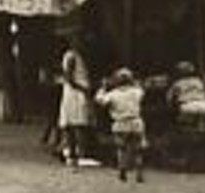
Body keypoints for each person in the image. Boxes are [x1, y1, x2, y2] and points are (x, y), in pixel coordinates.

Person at [96, 67, 147, 183]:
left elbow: (100, 101)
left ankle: (122, 170)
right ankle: (139, 172)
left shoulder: (113, 94)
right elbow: (142, 91)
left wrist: (102, 88)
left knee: (121, 149)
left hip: (120, 124)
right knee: (138, 150)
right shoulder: (136, 92)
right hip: (135, 122)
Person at [58, 34, 94, 167]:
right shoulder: (72, 56)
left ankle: (74, 151)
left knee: (75, 121)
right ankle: (77, 151)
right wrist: (83, 89)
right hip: (75, 93)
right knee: (77, 121)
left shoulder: (77, 56)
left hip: (76, 91)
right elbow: (68, 77)